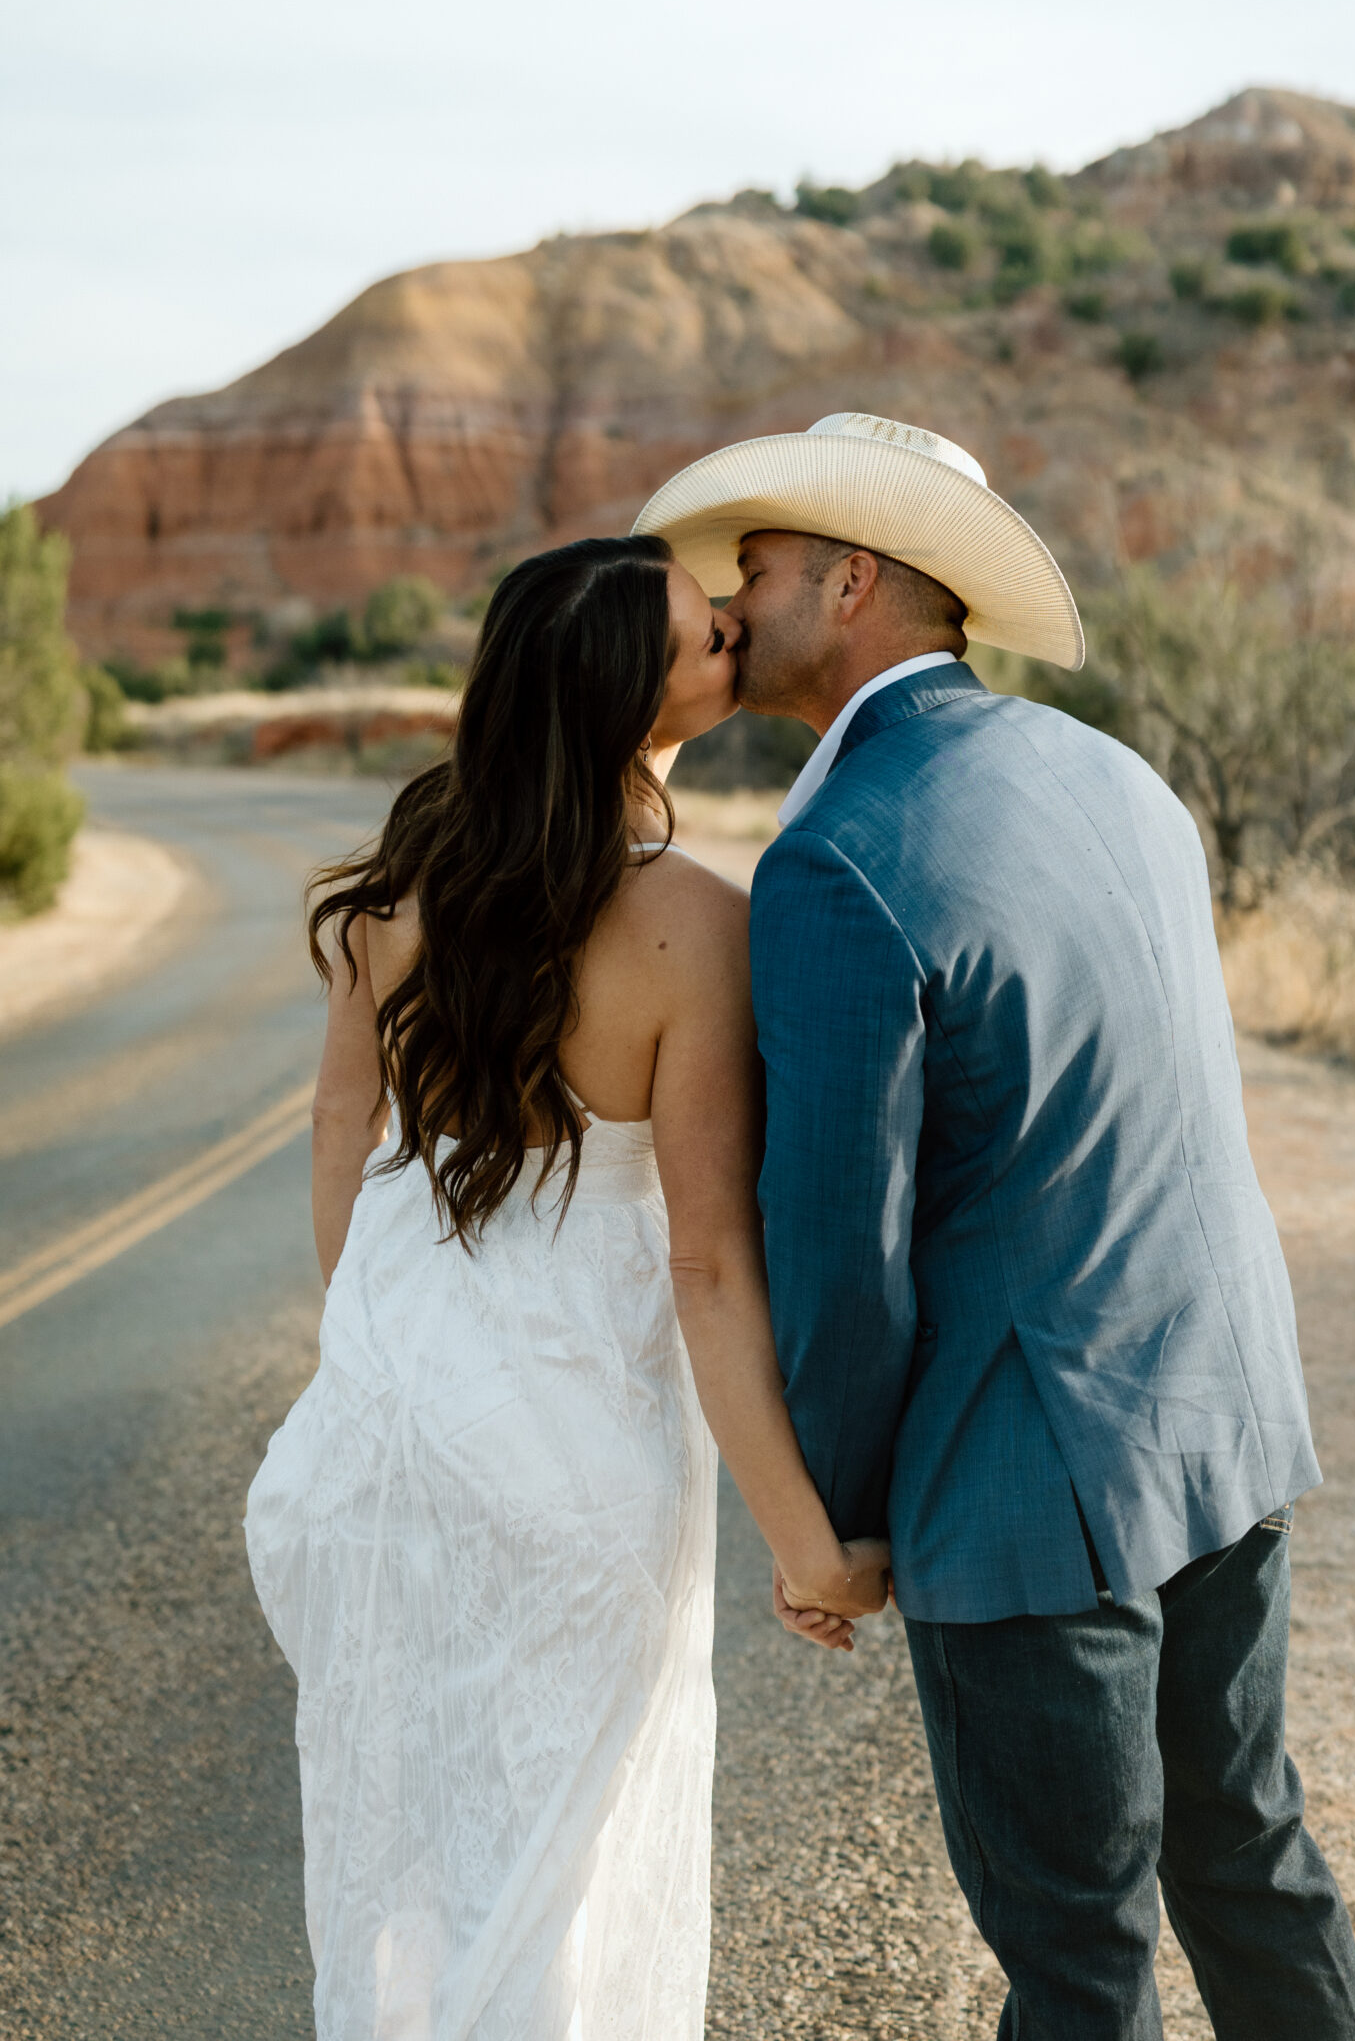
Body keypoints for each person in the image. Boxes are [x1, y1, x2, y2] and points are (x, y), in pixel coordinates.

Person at [632, 411, 1355, 2040]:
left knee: (1078, 1955)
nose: (732, 600)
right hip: (1227, 1415)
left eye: (756, 566)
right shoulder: (1114, 772)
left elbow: (840, 1249)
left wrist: (836, 1523)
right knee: (1250, 1857)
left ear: (849, 581)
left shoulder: (838, 859)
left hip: (1033, 1479)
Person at [245, 535, 887, 2041]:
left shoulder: (411, 873)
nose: (733, 634)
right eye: (704, 632)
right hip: (575, 1452)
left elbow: (341, 1124)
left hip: (380, 1437)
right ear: (622, 704)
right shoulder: (697, 926)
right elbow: (708, 1261)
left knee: (402, 1860)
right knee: (557, 1869)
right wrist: (807, 1544)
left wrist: (376, 1357)